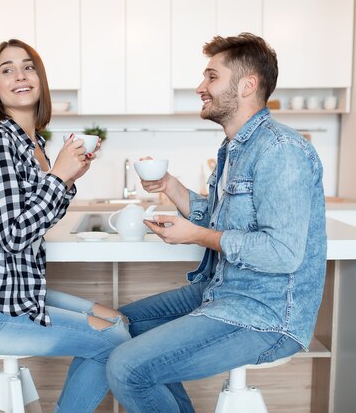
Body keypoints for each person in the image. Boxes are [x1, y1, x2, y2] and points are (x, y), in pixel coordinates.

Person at [106, 33, 327, 412]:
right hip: (222, 292)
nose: (200, 87)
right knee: (115, 328)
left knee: (128, 368)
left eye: (211, 77)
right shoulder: (234, 148)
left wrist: (199, 236)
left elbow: (283, 253)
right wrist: (171, 188)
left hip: (265, 314)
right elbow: (226, 218)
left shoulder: (281, 151)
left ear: (246, 85)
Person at [0, 39, 131, 413]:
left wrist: (67, 175)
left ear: (40, 79)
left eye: (28, 67)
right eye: (7, 69)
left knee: (117, 319)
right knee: (113, 338)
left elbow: (39, 215)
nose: (20, 76)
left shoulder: (35, 146)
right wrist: (59, 177)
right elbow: (14, 235)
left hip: (19, 295)